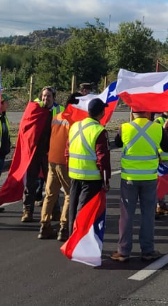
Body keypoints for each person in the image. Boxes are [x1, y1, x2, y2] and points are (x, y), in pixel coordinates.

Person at [112, 108, 168, 263]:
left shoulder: (125, 127)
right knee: (148, 214)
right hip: (149, 178)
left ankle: (123, 251)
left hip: (129, 178)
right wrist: (165, 130)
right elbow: (167, 147)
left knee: (127, 215)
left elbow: (117, 143)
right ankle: (147, 250)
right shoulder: (157, 127)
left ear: (132, 112)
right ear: (147, 112)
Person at [67, 98, 111, 238]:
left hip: (74, 175)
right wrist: (105, 180)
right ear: (101, 113)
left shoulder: (75, 126)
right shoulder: (99, 131)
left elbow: (67, 152)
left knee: (73, 209)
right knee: (85, 211)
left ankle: (72, 237)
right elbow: (102, 159)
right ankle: (79, 240)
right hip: (91, 178)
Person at [39, 88, 76, 240]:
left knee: (50, 194)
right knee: (69, 194)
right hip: (64, 161)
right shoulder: (74, 120)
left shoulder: (58, 116)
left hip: (52, 160)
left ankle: (44, 226)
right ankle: (64, 228)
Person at [22, 87, 59, 223]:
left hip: (50, 153)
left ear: (53, 98)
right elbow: (25, 128)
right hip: (34, 153)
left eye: (48, 96)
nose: (45, 99)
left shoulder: (57, 111)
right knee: (31, 183)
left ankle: (55, 211)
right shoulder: (35, 110)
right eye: (44, 96)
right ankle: (28, 211)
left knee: (52, 184)